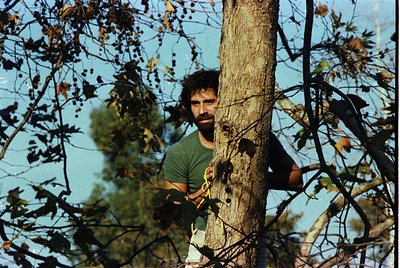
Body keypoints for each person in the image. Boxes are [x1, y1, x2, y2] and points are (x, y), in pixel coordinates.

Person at [163, 70, 303, 266]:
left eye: (210, 102)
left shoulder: (257, 137)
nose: (202, 110)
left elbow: (297, 180)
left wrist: (252, 174)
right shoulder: (180, 152)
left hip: (250, 238)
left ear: (225, 100)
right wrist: (209, 187)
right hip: (203, 240)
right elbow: (172, 211)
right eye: (196, 103)